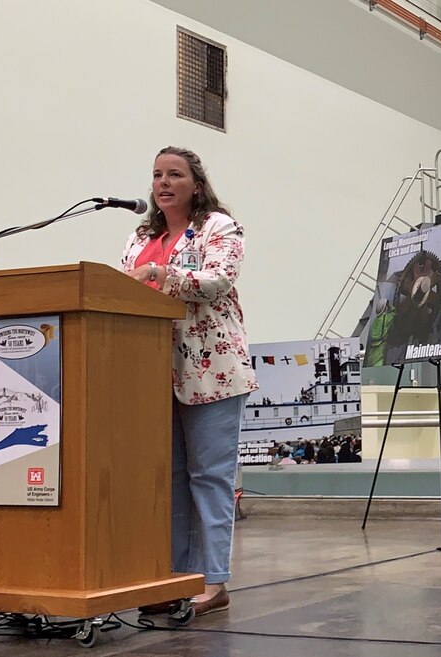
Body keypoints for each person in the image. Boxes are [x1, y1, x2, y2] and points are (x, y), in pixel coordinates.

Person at [122, 146, 258, 617]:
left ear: (195, 185)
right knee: (170, 479)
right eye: (157, 174)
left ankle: (214, 581)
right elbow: (123, 288)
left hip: (211, 369)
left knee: (210, 477)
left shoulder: (219, 226)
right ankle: (174, 576)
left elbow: (218, 280)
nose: (163, 182)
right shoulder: (140, 236)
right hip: (150, 371)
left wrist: (161, 274)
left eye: (174, 174)